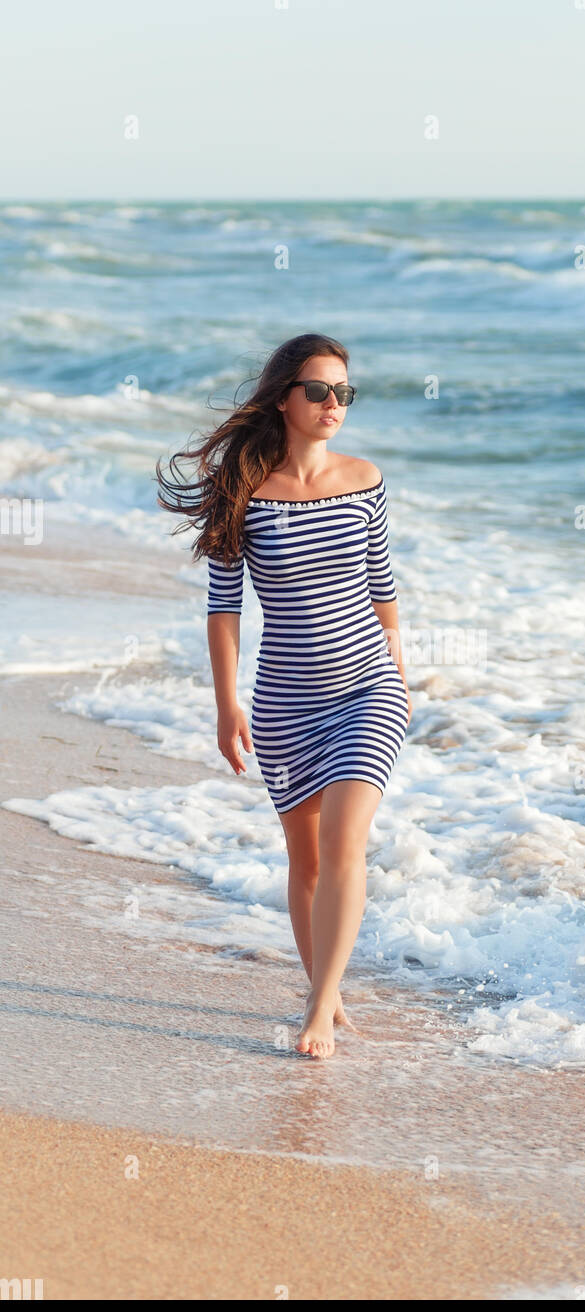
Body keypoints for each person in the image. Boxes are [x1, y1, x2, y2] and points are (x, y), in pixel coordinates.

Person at [156, 333, 411, 1059]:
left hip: (368, 689)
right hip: (283, 706)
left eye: (344, 394)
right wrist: (226, 705)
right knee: (306, 861)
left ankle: (320, 1006)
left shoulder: (365, 479)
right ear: (284, 399)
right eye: (320, 392)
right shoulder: (245, 493)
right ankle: (323, 989)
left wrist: (401, 675)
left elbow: (382, 587)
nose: (334, 405)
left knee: (344, 841)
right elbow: (224, 609)